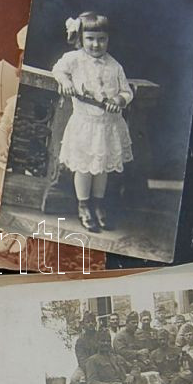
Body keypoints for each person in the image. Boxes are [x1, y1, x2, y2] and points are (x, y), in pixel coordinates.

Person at [50, 12, 134, 232]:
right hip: (85, 125)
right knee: (85, 168)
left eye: (101, 39)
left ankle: (98, 204)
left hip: (108, 126)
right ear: (81, 38)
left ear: (108, 39)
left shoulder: (115, 66)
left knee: (101, 167)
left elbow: (127, 92)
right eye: (90, 39)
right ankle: (84, 206)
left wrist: (119, 100)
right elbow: (57, 69)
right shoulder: (74, 59)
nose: (96, 44)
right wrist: (65, 81)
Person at [69, 311, 100, 384]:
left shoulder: (100, 336)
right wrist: (87, 368)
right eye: (88, 322)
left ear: (95, 323)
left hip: (99, 365)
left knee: (86, 379)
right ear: (83, 324)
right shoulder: (80, 341)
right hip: (84, 366)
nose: (90, 324)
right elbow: (81, 359)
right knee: (74, 379)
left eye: (92, 322)